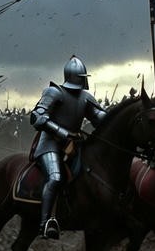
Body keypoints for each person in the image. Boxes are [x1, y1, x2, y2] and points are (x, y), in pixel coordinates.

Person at [29, 55, 107, 240]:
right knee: (55, 177)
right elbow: (37, 117)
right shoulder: (54, 92)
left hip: (74, 145)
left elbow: (98, 118)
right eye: (82, 76)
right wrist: (63, 133)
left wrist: (117, 116)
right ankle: (46, 223)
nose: (84, 80)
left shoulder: (85, 97)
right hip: (51, 143)